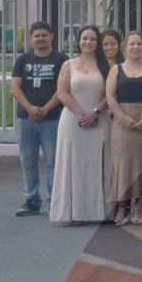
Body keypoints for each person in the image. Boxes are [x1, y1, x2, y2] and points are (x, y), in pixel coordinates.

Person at [49, 25, 110, 225]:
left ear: (98, 42)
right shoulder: (68, 64)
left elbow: (109, 95)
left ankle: (102, 212)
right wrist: (82, 113)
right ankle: (75, 212)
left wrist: (95, 113)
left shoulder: (105, 66)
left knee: (99, 164)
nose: (88, 42)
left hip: (98, 120)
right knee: (73, 165)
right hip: (73, 120)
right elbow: (62, 93)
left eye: (93, 39)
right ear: (79, 41)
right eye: (85, 38)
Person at [11, 22, 67, 217]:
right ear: (31, 39)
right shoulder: (23, 60)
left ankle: (55, 201)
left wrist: (44, 109)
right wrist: (30, 108)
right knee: (28, 162)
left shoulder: (62, 60)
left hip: (52, 119)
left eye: (44, 35)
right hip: (25, 120)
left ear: (51, 36)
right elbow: (15, 87)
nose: (40, 39)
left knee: (53, 161)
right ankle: (31, 200)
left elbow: (64, 90)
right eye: (37, 36)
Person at [105, 31, 142, 226]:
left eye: (139, 44)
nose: (135, 47)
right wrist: (123, 118)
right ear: (125, 46)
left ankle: (140, 205)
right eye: (132, 44)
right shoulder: (116, 70)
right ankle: (123, 206)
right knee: (122, 164)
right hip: (121, 121)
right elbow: (110, 96)